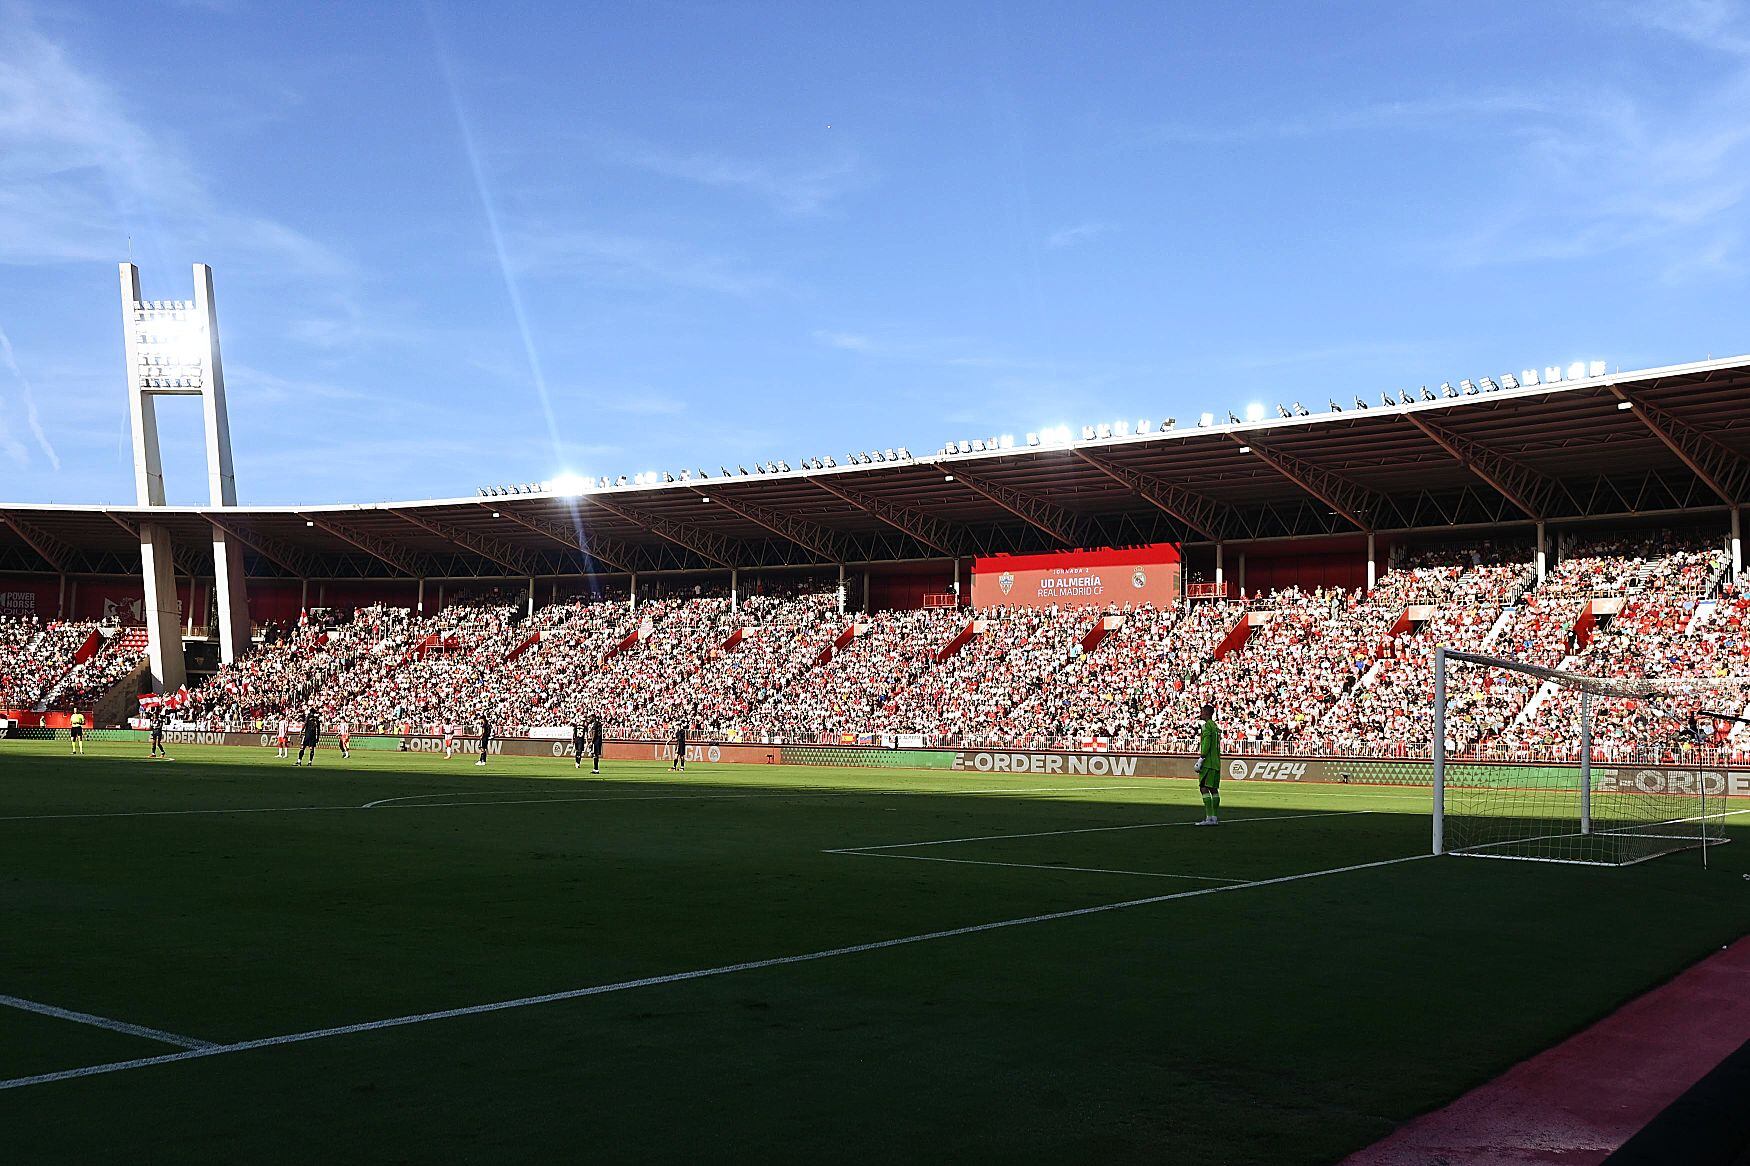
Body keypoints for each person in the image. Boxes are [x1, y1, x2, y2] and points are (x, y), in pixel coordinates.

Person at [1195, 703, 1222, 826]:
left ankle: (1209, 818)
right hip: (1216, 761)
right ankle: (1214, 817)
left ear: (1206, 713)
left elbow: (1206, 743)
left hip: (1208, 762)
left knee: (1203, 787)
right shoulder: (1215, 727)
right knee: (1213, 789)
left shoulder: (1206, 726)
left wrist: (1201, 758)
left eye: (1202, 712)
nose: (1200, 714)